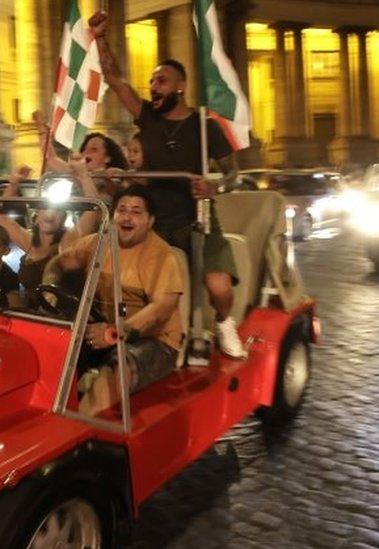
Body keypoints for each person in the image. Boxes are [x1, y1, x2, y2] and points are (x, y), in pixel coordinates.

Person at [90, 10, 245, 358]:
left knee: (218, 286)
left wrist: (214, 186)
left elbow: (234, 173)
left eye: (161, 81)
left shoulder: (207, 128)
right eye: (152, 81)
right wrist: (100, 37)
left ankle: (223, 323)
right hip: (156, 221)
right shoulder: (147, 117)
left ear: (180, 86)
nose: (153, 87)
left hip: (198, 218)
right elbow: (114, 78)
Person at [43, 186, 184, 414]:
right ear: (113, 215)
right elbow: (57, 264)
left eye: (137, 212)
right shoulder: (98, 243)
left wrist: (114, 332)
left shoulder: (161, 256)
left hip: (155, 341)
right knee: (53, 349)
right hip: (103, 330)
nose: (127, 217)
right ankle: (43, 415)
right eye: (122, 210)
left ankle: (77, 426)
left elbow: (161, 310)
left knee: (122, 364)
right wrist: (50, 287)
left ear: (150, 220)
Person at [0, 157, 102, 308]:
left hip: (59, 317)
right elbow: (0, 217)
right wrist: (14, 183)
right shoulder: (29, 241)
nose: (50, 215)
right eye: (45, 208)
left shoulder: (68, 240)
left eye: (57, 210)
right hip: (33, 316)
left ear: (64, 219)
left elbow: (95, 211)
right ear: (36, 216)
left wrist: (83, 174)